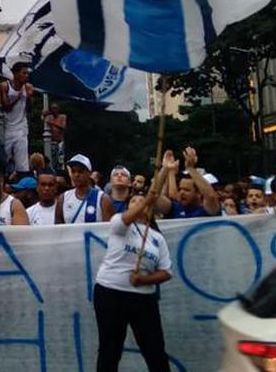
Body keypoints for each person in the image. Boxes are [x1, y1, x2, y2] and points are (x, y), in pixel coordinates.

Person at [94, 154, 175, 372]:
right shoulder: (120, 224)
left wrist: (144, 280)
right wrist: (147, 199)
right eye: (133, 202)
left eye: (142, 202)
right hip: (111, 292)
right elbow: (135, 210)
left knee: (155, 350)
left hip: (143, 297)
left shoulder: (157, 238)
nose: (138, 204)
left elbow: (166, 272)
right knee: (110, 350)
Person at [165, 147, 221, 218]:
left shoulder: (209, 209)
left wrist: (190, 168)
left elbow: (210, 196)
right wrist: (166, 169)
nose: (181, 192)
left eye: (187, 190)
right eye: (180, 189)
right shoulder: (175, 207)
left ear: (199, 192)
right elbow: (155, 196)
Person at [0, 62, 33, 175]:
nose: (26, 76)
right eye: (24, 73)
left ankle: (22, 177)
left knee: (22, 161)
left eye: (27, 73)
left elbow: (29, 109)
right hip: (7, 127)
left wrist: (29, 98)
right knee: (4, 158)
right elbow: (6, 107)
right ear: (15, 73)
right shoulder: (5, 86)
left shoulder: (27, 87)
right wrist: (18, 96)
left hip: (21, 127)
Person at [61, 154, 104, 224]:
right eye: (73, 171)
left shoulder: (102, 198)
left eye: (80, 171)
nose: (76, 175)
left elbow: (109, 228)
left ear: (89, 173)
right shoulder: (63, 198)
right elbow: (58, 228)